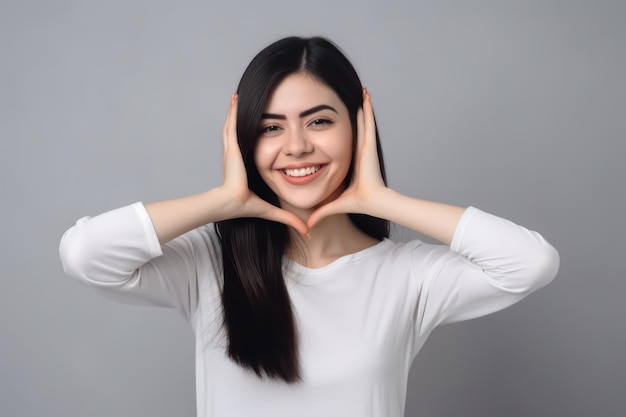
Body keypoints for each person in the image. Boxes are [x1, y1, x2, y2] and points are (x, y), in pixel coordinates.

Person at [59, 36, 559, 417]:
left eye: (319, 121)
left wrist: (381, 199)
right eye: (271, 127)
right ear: (244, 141)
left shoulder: (408, 276)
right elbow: (86, 255)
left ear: (360, 129)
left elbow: (530, 263)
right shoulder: (209, 264)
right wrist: (223, 200)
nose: (296, 146)